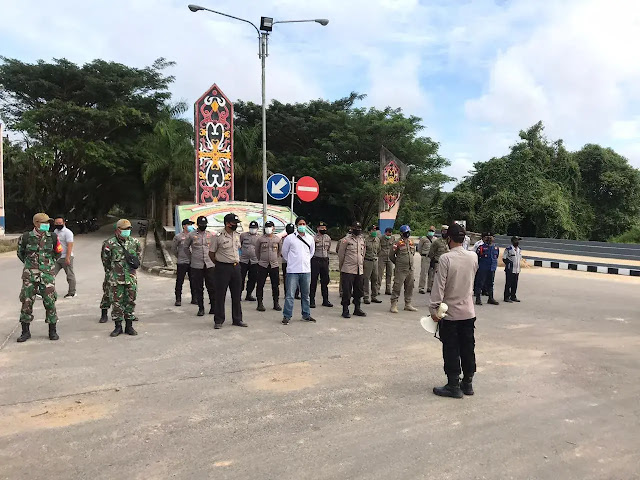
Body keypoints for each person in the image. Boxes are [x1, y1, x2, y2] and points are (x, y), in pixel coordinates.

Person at [429, 223, 479, 398]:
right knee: (468, 347)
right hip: (468, 313)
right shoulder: (473, 257)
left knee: (451, 348)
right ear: (464, 238)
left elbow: (439, 288)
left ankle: (453, 385)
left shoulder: (445, 259)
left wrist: (434, 310)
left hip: (450, 314)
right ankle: (468, 383)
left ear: (448, 238)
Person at [16, 212, 63, 342]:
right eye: (44, 223)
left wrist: (48, 266)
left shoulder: (52, 237)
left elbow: (58, 253)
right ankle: (25, 332)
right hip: (30, 275)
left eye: (48, 223)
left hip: (47, 275)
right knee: (26, 302)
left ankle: (52, 331)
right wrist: (31, 266)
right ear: (36, 223)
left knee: (50, 302)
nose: (47, 225)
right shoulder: (26, 237)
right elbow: (21, 254)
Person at [101, 219, 142, 337]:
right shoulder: (109, 243)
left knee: (130, 301)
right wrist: (113, 272)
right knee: (117, 303)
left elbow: (138, 258)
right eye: (124, 229)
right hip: (116, 278)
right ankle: (118, 327)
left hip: (131, 278)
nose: (127, 231)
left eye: (129, 229)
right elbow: (106, 261)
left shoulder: (135, 242)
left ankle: (129, 326)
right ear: (118, 230)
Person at [209, 213, 247, 328]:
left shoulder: (237, 235)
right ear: (227, 224)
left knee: (237, 294)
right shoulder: (218, 236)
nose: (236, 225)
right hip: (222, 268)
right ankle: (219, 320)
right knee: (220, 294)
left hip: (236, 267)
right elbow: (211, 253)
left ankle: (237, 319)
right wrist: (219, 263)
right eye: (234, 223)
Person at [281, 217, 315, 325]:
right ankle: (287, 316)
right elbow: (285, 253)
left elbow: (311, 252)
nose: (302, 226)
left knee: (306, 294)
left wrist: (304, 261)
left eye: (304, 224)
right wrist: (292, 262)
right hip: (292, 271)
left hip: (306, 270)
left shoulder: (310, 238)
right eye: (300, 224)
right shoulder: (289, 238)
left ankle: (306, 314)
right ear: (296, 225)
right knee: (290, 295)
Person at [186, 216, 216, 317]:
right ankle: (201, 308)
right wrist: (191, 257)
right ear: (198, 225)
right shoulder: (191, 235)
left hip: (209, 264)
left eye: (205, 224)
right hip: (196, 265)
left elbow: (214, 248)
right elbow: (185, 248)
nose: (203, 226)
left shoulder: (211, 235)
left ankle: (213, 307)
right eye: (201, 225)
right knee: (198, 288)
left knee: (211, 287)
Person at [337, 221, 366, 318]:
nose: (357, 230)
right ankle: (345, 309)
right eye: (356, 228)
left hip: (359, 269)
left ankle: (357, 308)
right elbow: (341, 255)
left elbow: (363, 254)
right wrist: (342, 267)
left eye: (359, 229)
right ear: (352, 229)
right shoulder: (346, 240)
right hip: (348, 269)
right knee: (347, 291)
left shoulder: (362, 240)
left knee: (359, 290)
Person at [389, 224, 418, 313]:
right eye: (406, 232)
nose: (407, 234)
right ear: (401, 233)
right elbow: (391, 255)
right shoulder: (397, 243)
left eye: (408, 232)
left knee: (410, 286)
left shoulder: (411, 242)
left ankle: (408, 304)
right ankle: (394, 304)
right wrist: (398, 263)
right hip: (401, 269)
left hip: (410, 268)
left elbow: (412, 253)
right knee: (397, 286)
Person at [255, 220, 282, 312]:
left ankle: (276, 303)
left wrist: (274, 258)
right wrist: (261, 259)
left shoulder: (277, 239)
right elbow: (257, 251)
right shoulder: (260, 239)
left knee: (275, 285)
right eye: (267, 227)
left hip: (274, 265)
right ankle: (260, 303)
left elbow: (279, 251)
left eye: (270, 227)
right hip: (262, 264)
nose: (268, 229)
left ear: (273, 228)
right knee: (260, 284)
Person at [173, 219, 196, 306]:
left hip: (192, 261)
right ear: (184, 226)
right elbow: (173, 249)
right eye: (188, 224)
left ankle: (194, 298)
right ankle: (178, 299)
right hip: (182, 261)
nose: (190, 226)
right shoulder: (178, 236)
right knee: (179, 281)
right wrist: (179, 256)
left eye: (191, 224)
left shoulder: (195, 236)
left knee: (193, 281)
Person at [52, 215, 76, 298]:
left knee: (70, 275)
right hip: (57, 257)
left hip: (66, 257)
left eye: (60, 223)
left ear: (64, 223)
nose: (58, 224)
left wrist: (68, 257)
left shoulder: (68, 233)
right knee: (51, 274)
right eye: (57, 223)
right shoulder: (55, 231)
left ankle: (72, 292)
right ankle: (48, 292)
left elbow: (70, 245)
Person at [310, 221, 333, 308]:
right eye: (321, 228)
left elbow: (328, 249)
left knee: (325, 281)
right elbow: (311, 250)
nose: (323, 229)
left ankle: (325, 300)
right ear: (317, 228)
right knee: (313, 281)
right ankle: (312, 300)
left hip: (324, 260)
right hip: (316, 260)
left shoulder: (328, 238)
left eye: (324, 228)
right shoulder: (313, 238)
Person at [474, 232, 500, 306]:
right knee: (480, 283)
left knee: (490, 283)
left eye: (491, 236)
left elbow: (496, 256)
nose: (489, 238)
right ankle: (478, 299)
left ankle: (490, 298)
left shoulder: (496, 247)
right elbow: (477, 257)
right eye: (487, 237)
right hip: (483, 267)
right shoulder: (481, 247)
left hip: (492, 268)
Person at [240, 220, 260, 301]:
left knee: (252, 278)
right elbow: (239, 245)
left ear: (257, 228)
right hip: (243, 260)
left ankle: (249, 294)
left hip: (254, 261)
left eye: (254, 228)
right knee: (241, 278)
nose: (253, 229)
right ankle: (238, 294)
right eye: (251, 228)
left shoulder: (259, 237)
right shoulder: (243, 235)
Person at [427, 225, 450, 293]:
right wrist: (432, 261)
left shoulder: (450, 241)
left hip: (448, 263)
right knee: (435, 278)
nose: (445, 233)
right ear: (441, 232)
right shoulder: (437, 242)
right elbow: (431, 252)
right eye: (444, 231)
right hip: (438, 262)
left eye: (446, 231)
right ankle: (432, 289)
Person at [363, 225, 382, 305]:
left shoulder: (377, 240)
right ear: (369, 231)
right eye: (373, 230)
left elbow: (379, 250)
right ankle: (366, 297)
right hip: (367, 261)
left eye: (375, 230)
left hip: (375, 261)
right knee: (366, 279)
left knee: (375, 278)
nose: (374, 231)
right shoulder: (365, 240)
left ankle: (374, 296)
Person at [281, 223, 300, 300]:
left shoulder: (297, 238)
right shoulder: (283, 238)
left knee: (297, 277)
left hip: (295, 261)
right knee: (287, 278)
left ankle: (296, 293)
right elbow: (282, 251)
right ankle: (287, 293)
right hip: (286, 261)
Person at [503, 236, 523, 303]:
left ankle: (513, 296)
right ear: (512, 241)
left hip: (517, 269)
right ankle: (506, 297)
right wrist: (509, 264)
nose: (517, 242)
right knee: (508, 284)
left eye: (518, 241)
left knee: (515, 284)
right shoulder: (508, 249)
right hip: (510, 269)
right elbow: (504, 258)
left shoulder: (519, 249)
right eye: (516, 240)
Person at [418, 225, 436, 294]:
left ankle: (430, 287)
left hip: (432, 257)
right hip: (425, 256)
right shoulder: (423, 239)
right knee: (423, 273)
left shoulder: (435, 239)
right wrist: (422, 254)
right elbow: (419, 248)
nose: (431, 232)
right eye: (430, 231)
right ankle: (421, 287)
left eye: (432, 231)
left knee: (431, 273)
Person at [377, 227, 396, 296]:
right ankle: (377, 289)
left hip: (389, 258)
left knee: (389, 274)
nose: (389, 235)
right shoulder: (381, 238)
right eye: (388, 234)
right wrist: (379, 254)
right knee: (380, 273)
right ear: (385, 233)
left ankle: (388, 289)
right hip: (382, 257)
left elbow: (394, 247)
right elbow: (378, 247)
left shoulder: (393, 238)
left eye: (390, 234)